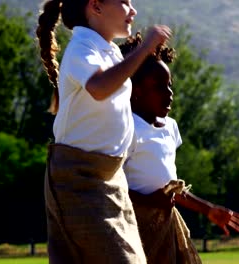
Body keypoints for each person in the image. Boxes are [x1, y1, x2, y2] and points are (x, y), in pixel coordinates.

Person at [36, 0, 172, 263]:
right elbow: (99, 87)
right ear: (95, 7)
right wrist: (144, 48)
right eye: (124, 2)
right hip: (78, 179)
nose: (133, 10)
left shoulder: (109, 51)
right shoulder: (81, 48)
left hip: (111, 178)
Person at [120, 33, 239, 264]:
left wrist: (208, 210)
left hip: (165, 226)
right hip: (134, 228)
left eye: (169, 85)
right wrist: (149, 201)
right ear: (135, 91)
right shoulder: (126, 128)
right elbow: (112, 187)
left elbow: (172, 188)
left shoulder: (170, 127)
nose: (169, 94)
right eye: (158, 87)